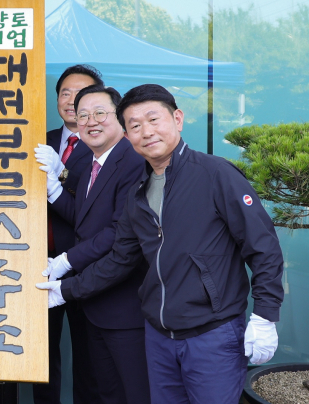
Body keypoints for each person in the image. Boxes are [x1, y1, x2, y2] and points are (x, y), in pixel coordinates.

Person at [37, 84, 285, 404]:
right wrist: (63, 291)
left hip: (212, 332)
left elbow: (263, 247)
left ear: (177, 119)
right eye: (135, 125)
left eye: (154, 120)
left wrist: (265, 316)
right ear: (127, 135)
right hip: (158, 336)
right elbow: (120, 259)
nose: (147, 131)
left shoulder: (215, 174)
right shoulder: (137, 191)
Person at [35, 85, 149, 404]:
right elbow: (85, 220)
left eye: (100, 113)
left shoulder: (132, 161)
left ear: (120, 117)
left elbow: (118, 231)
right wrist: (54, 192)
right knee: (106, 392)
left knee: (133, 393)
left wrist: (65, 261)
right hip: (97, 303)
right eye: (83, 115)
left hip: (126, 307)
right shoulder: (93, 163)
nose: (90, 121)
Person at [36, 64, 103, 404]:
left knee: (89, 357)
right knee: (41, 356)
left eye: (82, 93)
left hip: (86, 266)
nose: (72, 100)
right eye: (65, 93)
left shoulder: (105, 148)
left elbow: (94, 213)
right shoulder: (39, 141)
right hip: (36, 265)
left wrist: (60, 174)